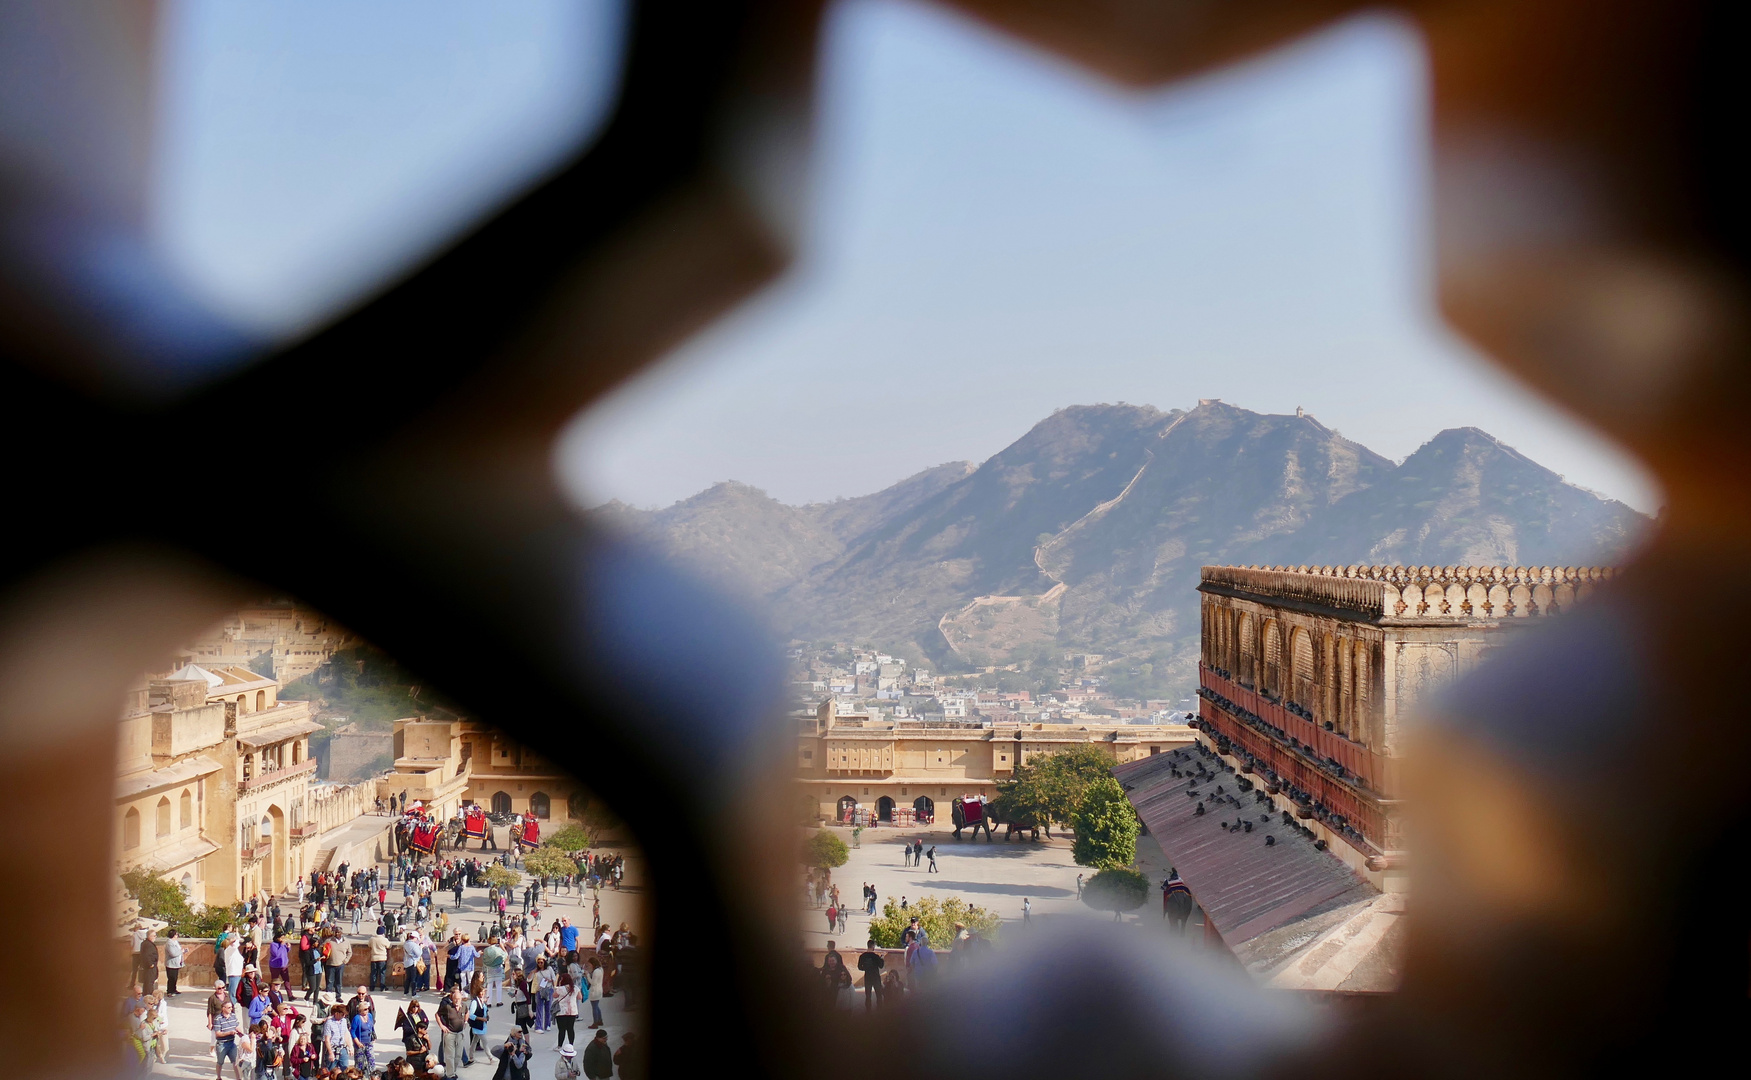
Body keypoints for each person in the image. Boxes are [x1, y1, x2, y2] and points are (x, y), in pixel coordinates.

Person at [436, 985, 469, 1079]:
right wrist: (442, 1026)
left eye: (459, 998)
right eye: (455, 999)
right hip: (450, 1033)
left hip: (460, 1033)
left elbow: (467, 1012)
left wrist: (465, 1022)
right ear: (452, 998)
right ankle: (450, 1075)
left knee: (458, 1055)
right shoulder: (447, 1007)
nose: (457, 1000)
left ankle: (452, 1071)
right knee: (450, 1056)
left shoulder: (464, 1006)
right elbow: (437, 1015)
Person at [213, 999, 245, 1080]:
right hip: (222, 1044)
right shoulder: (218, 1019)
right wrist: (229, 1033)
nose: (231, 1009)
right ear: (223, 1008)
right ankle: (218, 1077)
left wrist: (240, 1033)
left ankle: (238, 1078)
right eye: (229, 1007)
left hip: (231, 1043)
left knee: (235, 1062)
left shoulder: (233, 1016)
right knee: (220, 1062)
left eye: (231, 1007)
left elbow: (236, 1026)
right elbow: (218, 1033)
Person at [553, 971, 580, 1049]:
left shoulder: (560, 989)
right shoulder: (575, 988)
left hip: (562, 1011)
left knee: (562, 1030)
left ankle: (559, 1046)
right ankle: (571, 1045)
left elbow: (554, 996)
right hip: (572, 1011)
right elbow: (580, 997)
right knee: (570, 1029)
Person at [322, 1003, 352, 1070]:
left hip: (343, 1048)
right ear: (337, 1013)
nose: (344, 1016)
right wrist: (330, 1053)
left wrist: (350, 1047)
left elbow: (346, 1034)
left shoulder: (344, 1021)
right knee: (331, 1070)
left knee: (345, 1069)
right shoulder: (329, 1022)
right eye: (342, 1014)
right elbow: (327, 1039)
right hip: (333, 1048)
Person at [856, 940, 885, 1011]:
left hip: (868, 977)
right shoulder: (875, 956)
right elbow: (881, 966)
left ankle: (868, 1011)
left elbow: (860, 967)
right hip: (875, 977)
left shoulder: (862, 956)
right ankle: (879, 1010)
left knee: (868, 996)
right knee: (878, 994)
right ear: (873, 946)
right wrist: (882, 959)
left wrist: (866, 968)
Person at [585, 955, 606, 1029]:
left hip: (595, 991)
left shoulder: (596, 971)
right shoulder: (600, 969)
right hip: (599, 990)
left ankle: (595, 1023)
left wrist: (587, 975)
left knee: (594, 1007)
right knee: (596, 1006)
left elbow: (592, 982)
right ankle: (599, 1020)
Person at [370, 926, 391, 991]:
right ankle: (382, 986)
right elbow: (389, 946)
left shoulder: (372, 939)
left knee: (374, 972)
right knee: (382, 973)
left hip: (374, 957)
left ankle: (372, 987)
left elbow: (369, 945)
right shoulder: (384, 939)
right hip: (382, 958)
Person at [165, 928, 185, 996]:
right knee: (171, 978)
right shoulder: (169, 943)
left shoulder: (175, 942)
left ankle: (174, 989)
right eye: (176, 934)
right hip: (171, 964)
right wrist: (181, 951)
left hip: (176, 963)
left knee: (175, 977)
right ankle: (170, 991)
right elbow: (173, 953)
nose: (177, 936)